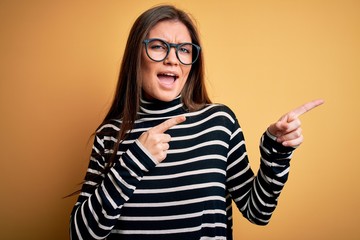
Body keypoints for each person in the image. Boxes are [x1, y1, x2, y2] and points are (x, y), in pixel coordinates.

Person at [69, 4, 323, 240]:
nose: (173, 59)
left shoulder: (219, 123)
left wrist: (276, 153)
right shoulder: (111, 133)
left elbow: (258, 211)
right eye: (158, 46)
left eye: (184, 50)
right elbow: (80, 234)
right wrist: (134, 161)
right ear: (136, 54)